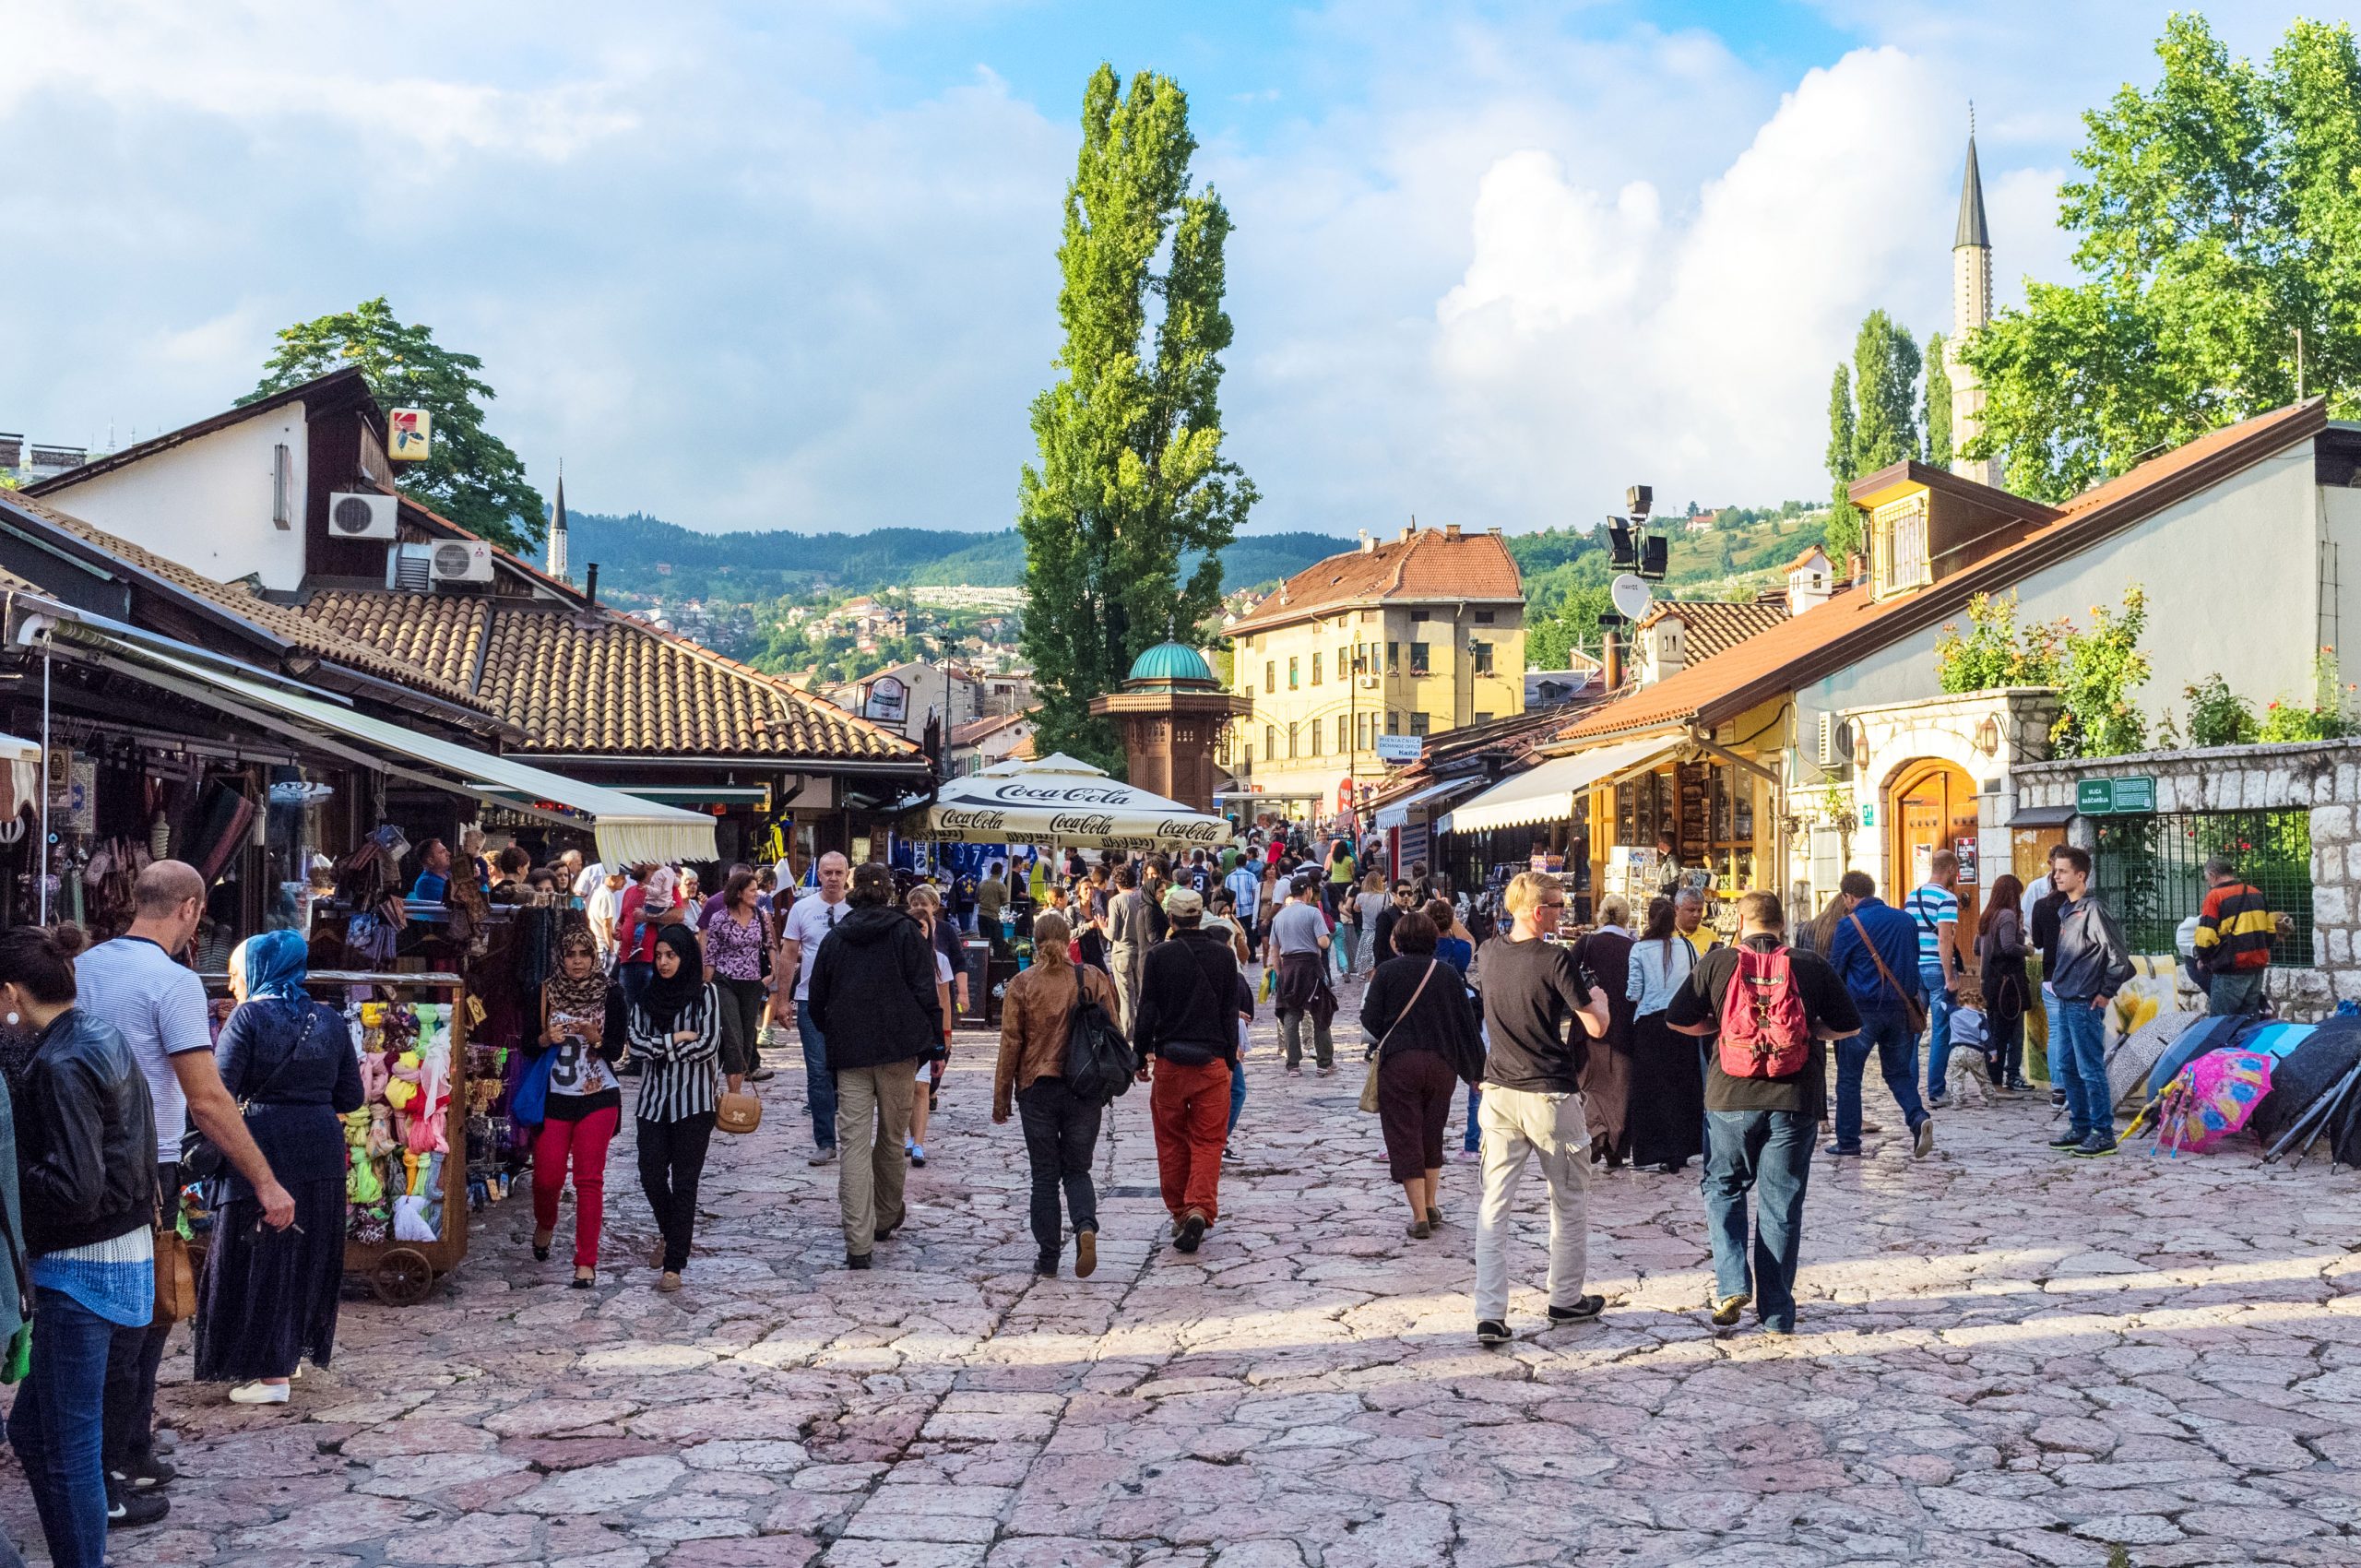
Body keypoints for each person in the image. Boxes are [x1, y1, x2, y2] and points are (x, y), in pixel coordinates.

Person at [78, 861, 293, 1512]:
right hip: (148, 1165)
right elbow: (207, 1098)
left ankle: (128, 1448)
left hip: (85, 1158)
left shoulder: (86, 966)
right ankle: (112, 1466)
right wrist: (265, 1179)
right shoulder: (171, 982)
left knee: (121, 1310)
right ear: (192, 909)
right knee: (139, 1317)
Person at [6, 925, 157, 1568]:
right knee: (34, 1433)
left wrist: (9, 1172)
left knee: (68, 1448)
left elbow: (74, 1185)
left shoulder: (63, 1061)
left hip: (81, 1273)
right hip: (119, 1259)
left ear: (11, 993)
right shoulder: (96, 1035)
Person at [1664, 891, 1860, 1336]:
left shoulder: (1716, 963)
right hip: (1794, 1100)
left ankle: (1732, 1283)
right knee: (1781, 1203)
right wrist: (1808, 1034)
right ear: (1782, 923)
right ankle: (1776, 1313)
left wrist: (1719, 1030)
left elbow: (1677, 1018)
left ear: (1741, 920)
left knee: (1723, 1186)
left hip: (1729, 1097)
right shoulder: (1809, 965)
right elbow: (1850, 1024)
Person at [196, 931, 362, 1402]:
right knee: (304, 1257)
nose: (232, 986)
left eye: (234, 975)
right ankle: (286, 1355)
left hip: (263, 1146)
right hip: (321, 1149)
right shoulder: (329, 1020)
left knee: (258, 1256)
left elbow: (218, 1093)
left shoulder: (248, 1018)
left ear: (258, 971)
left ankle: (271, 1376)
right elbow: (351, 1096)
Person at [1471, 873, 1610, 1345]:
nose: (1561, 912)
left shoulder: (1488, 953)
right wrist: (1602, 1001)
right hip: (1549, 1092)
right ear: (1536, 910)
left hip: (1498, 1091)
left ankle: (1490, 1313)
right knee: (1568, 1200)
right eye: (1556, 904)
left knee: (1494, 1205)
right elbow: (1595, 1026)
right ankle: (1565, 1297)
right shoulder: (1555, 959)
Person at [807, 862, 941, 1268]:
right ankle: (883, 1217)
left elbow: (816, 1001)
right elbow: (925, 991)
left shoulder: (835, 939)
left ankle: (858, 1243)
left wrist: (838, 1031)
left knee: (852, 1144)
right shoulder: (904, 933)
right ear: (887, 893)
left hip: (851, 1055)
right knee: (890, 1138)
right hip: (899, 1053)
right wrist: (933, 1043)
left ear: (853, 891)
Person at [993, 911, 1121, 1278]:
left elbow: (1010, 1044)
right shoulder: (1093, 978)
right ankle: (1084, 1226)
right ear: (1069, 941)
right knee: (1078, 1169)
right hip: (1085, 1088)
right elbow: (1113, 1031)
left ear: (1034, 942)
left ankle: (1048, 1256)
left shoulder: (1022, 984)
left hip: (1038, 1088)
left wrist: (1001, 1098)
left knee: (1044, 1176)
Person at [1364, 910, 1485, 1240]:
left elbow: (1369, 1020)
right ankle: (1431, 1203)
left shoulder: (1386, 973)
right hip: (1441, 1065)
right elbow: (1466, 1024)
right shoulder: (1447, 974)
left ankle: (1418, 1215)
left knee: (1405, 1136)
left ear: (1399, 940)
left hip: (1400, 1064)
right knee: (1432, 1133)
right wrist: (1476, 1069)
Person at [1129, 887, 1238, 1254]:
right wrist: (1230, 1060)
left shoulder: (1159, 956)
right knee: (1209, 1142)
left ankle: (1179, 1210)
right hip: (1211, 1062)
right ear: (1201, 915)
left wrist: (1139, 1054)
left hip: (1172, 1063)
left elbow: (1146, 1010)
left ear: (1171, 919)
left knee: (1171, 1139)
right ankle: (1200, 1207)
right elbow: (1229, 1012)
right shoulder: (1224, 956)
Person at [627, 924, 723, 1292]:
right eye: (660, 955)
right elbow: (635, 1045)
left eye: (672, 955)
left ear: (686, 957)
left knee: (685, 1182)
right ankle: (671, 1233)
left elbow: (709, 1045)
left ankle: (674, 1263)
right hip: (652, 1103)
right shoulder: (647, 996)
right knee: (650, 1173)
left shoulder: (705, 995)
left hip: (694, 1104)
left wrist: (660, 1046)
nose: (665, 962)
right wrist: (677, 1038)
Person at [1824, 872, 1937, 1160]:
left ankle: (1848, 1141)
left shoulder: (1849, 924)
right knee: (1898, 1072)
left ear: (1848, 897)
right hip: (1900, 1009)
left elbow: (1836, 971)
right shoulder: (1906, 920)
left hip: (1861, 1010)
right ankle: (1917, 1116)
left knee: (1849, 1076)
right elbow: (1913, 962)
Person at [532, 930, 621, 1288]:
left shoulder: (611, 993)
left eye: (585, 953)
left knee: (589, 1180)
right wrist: (544, 1038)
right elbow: (525, 1043)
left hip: (598, 1096)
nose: (579, 960)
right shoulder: (544, 991)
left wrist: (596, 1037)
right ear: (561, 957)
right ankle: (546, 1222)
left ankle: (586, 1262)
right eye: (571, 954)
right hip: (554, 1097)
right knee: (547, 1177)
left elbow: (616, 1048)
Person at [2047, 846, 2134, 1158]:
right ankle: (2080, 1126)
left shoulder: (2093, 910)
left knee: (2089, 1068)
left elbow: (2119, 957)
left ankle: (2102, 1132)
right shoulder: (2067, 910)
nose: (2056, 875)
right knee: (2067, 1066)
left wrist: (2106, 992)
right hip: (2066, 998)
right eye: (2055, 870)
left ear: (2080, 875)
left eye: (2063, 871)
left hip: (2085, 1002)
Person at [778, 852, 850, 1166]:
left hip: (850, 1001)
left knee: (847, 1071)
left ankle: (851, 1136)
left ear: (847, 874)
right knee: (818, 1071)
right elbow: (788, 954)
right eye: (827, 872)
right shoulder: (802, 909)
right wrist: (783, 999)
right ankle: (825, 1140)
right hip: (811, 999)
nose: (833, 878)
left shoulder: (857, 910)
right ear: (818, 875)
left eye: (838, 872)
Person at [1624, 897, 1704, 1173]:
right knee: (1683, 1086)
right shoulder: (1688, 946)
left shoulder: (1639, 949)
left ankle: (1654, 1149)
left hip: (1649, 1026)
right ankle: (1681, 1149)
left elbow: (1634, 991)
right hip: (1682, 1025)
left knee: (1652, 1090)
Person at [1574, 895, 1637, 1170]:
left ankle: (1594, 1134)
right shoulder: (1633, 948)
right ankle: (1615, 1144)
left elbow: (1565, 976)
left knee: (1588, 1084)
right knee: (1619, 1087)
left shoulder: (1586, 944)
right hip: (1623, 1029)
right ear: (1625, 917)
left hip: (1589, 1026)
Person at [904, 885, 962, 1169]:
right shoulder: (897, 958)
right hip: (902, 1033)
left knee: (921, 1087)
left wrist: (946, 1036)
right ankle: (907, 1134)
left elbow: (944, 1002)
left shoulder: (940, 961)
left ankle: (919, 1142)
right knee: (904, 1087)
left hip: (927, 1033)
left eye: (923, 928)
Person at [699, 869, 770, 1095]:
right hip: (725, 981)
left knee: (749, 1036)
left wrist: (773, 974)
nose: (756, 894)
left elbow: (771, 945)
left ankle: (734, 1081)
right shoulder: (719, 918)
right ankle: (734, 1095)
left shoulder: (761, 916)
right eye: (752, 890)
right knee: (734, 1036)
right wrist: (706, 986)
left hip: (752, 982)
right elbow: (711, 954)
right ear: (739, 893)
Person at [1906, 850, 1966, 1108]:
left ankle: (1908, 1090)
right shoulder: (1947, 898)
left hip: (1915, 969)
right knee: (1941, 1031)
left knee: (1915, 1031)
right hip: (1935, 969)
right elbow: (1945, 939)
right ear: (1951, 869)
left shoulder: (1912, 896)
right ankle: (1936, 1091)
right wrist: (1949, 976)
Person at [2193, 858, 2283, 1017]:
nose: (2208, 882)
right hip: (2256, 968)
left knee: (2221, 1023)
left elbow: (2205, 936)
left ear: (2212, 875)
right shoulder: (2256, 893)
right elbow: (2270, 932)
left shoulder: (2215, 897)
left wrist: (2203, 958)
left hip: (2230, 970)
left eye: (2207, 878)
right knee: (2249, 1022)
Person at [1270, 875, 1337, 1075]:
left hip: (1289, 968)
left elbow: (1275, 949)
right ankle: (1324, 1063)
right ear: (1308, 890)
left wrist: (1279, 973)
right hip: (1310, 967)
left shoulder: (1279, 917)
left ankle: (1293, 1065)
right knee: (1320, 1012)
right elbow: (1323, 942)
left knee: (1291, 1015)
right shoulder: (1313, 913)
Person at [1975, 873, 2033, 1091]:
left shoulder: (1987, 916)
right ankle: (2007, 1078)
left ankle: (1993, 1078)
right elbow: (2008, 946)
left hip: (1989, 981)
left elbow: (1977, 948)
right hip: (2007, 984)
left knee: (1994, 1032)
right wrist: (2026, 948)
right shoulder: (2007, 915)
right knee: (2012, 1033)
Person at [2030, 845, 2071, 1107]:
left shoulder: (2041, 906)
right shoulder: (2080, 905)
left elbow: (2037, 941)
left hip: (2051, 975)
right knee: (2076, 1032)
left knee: (2056, 1032)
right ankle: (2076, 1088)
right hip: (2078, 977)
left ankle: (2059, 1090)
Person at [1106, 865, 1152, 1033]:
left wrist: (1102, 927)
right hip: (1142, 952)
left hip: (1122, 952)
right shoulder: (1144, 898)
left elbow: (1112, 934)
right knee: (1141, 996)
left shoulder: (1115, 901)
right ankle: (1144, 1032)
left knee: (1126, 997)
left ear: (1118, 883)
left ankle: (1128, 1034)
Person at [1370, 881, 1415, 970]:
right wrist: (1381, 968)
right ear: (1394, 895)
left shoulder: (1412, 915)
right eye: (1402, 894)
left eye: (1409, 893)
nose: (1406, 896)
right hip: (1392, 965)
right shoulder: (1386, 916)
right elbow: (1379, 945)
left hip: (1410, 964)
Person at [1673, 886, 1719, 960]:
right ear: (1677, 908)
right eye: (1691, 910)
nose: (1696, 915)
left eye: (1700, 910)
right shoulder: (1665, 936)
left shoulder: (1711, 937)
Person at [1223, 854, 1263, 938]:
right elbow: (1255, 894)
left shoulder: (1229, 878)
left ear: (1235, 863)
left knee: (1236, 935)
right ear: (1246, 863)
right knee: (1250, 935)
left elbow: (1227, 895)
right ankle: (1251, 951)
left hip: (1235, 911)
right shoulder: (1251, 876)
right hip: (1249, 910)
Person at [409, 837, 454, 903]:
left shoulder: (448, 874)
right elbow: (456, 902)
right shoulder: (426, 883)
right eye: (443, 852)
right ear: (430, 861)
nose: (449, 854)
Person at [1324, 838, 1358, 922]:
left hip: (1335, 882)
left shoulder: (1333, 859)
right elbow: (1353, 873)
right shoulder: (1350, 859)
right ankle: (1349, 917)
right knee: (1347, 901)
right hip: (1347, 883)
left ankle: (1339, 918)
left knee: (1338, 901)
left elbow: (1330, 870)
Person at [977, 860, 1009, 937]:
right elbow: (1005, 903)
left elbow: (976, 900)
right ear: (1001, 872)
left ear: (991, 871)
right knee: (997, 943)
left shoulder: (981, 884)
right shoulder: (1001, 886)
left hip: (981, 916)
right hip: (993, 917)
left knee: (984, 943)